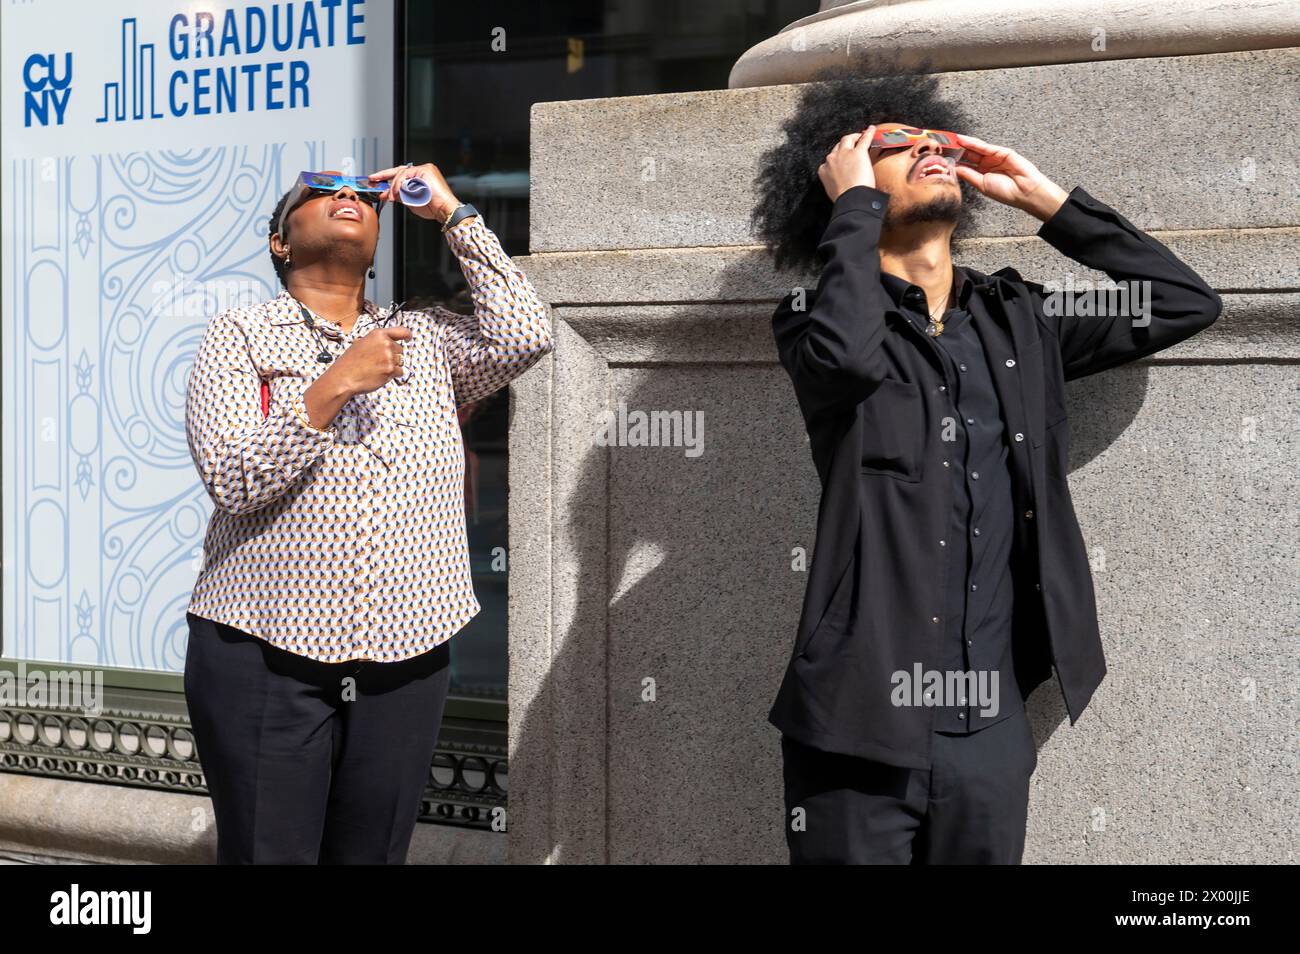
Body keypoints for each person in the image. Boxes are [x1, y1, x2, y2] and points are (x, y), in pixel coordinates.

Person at [751, 69, 1220, 864]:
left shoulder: (1021, 321)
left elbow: (1181, 303)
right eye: (894, 144)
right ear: (844, 182)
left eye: (936, 139)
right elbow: (845, 358)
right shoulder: (813, 322)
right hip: (855, 726)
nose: (929, 148)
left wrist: (1054, 207)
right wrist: (855, 211)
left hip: (990, 732)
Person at [182, 162, 553, 863]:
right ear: (280, 243)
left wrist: (451, 214)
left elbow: (525, 335)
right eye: (320, 193)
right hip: (262, 650)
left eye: (359, 193)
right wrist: (335, 383)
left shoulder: (426, 338)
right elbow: (235, 479)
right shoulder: (238, 335)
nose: (347, 196)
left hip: (407, 653)